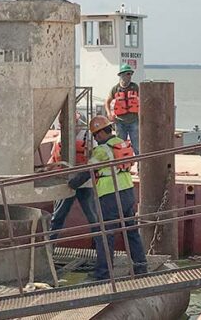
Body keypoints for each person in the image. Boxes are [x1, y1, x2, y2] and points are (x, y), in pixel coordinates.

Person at [67, 116, 147, 281]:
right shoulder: (121, 142)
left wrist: (72, 184)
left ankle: (103, 274)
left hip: (110, 196)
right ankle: (141, 266)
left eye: (96, 135)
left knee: (106, 235)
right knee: (131, 231)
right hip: (127, 192)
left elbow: (88, 171)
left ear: (102, 133)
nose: (95, 139)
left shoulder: (102, 150)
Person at [47, 127, 102, 247]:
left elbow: (95, 160)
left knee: (93, 218)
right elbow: (54, 157)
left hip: (85, 184)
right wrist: (46, 170)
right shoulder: (61, 137)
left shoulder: (88, 138)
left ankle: (99, 249)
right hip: (66, 183)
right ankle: (49, 248)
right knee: (58, 216)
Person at [106, 64, 141, 150]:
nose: (130, 76)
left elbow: (143, 100)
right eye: (128, 74)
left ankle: (140, 162)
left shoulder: (135, 87)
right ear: (122, 75)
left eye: (130, 74)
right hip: (120, 122)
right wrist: (109, 113)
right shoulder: (115, 89)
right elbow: (107, 101)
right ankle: (121, 163)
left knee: (137, 145)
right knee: (120, 146)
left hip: (134, 121)